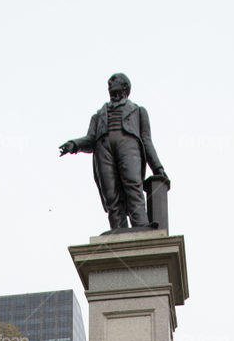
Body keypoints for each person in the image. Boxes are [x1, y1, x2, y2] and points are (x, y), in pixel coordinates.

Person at [59, 72, 169, 231]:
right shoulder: (99, 115)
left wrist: (157, 167)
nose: (110, 83)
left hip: (129, 147)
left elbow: (146, 141)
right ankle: (118, 228)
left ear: (125, 86)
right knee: (111, 193)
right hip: (104, 150)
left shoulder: (138, 111)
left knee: (132, 184)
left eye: (114, 80)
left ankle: (141, 224)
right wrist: (74, 145)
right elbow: (90, 139)